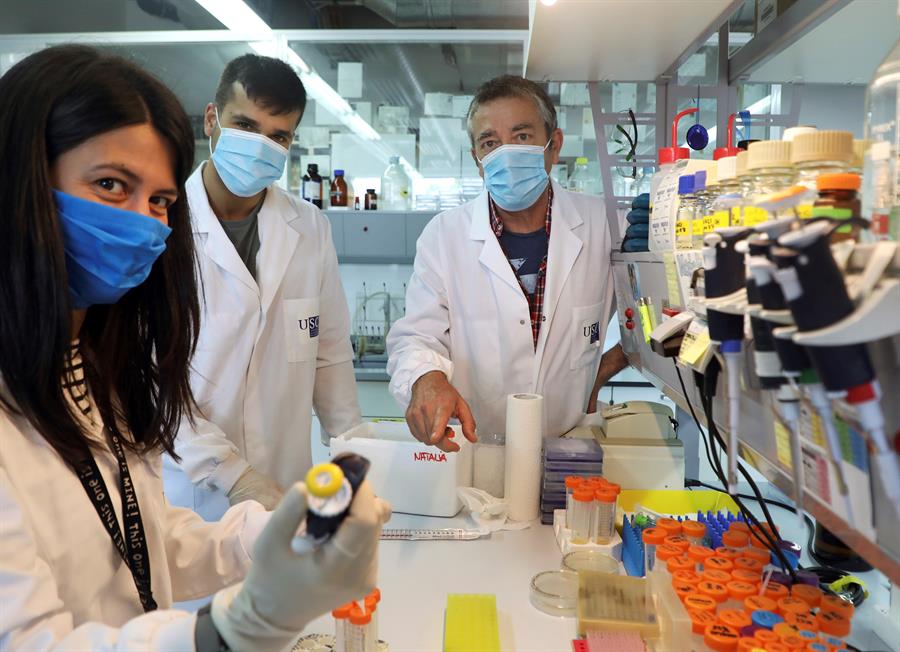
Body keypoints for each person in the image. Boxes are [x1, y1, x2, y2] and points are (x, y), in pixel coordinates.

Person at [0, 45, 388, 651]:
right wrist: (224, 633)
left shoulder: (93, 370)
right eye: (110, 184)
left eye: (159, 201)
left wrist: (266, 535)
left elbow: (143, 538)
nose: (145, 224)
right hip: (201, 503)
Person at [163, 54, 361, 520]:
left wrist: (353, 455)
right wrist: (235, 476)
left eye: (278, 136)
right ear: (211, 120)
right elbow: (149, 385)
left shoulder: (308, 226)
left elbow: (329, 353)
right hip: (190, 497)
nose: (260, 146)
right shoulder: (164, 223)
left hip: (285, 488)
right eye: (245, 125)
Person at [387, 75, 629, 451]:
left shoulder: (606, 226)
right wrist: (426, 378)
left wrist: (603, 369)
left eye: (522, 136)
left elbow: (657, 317)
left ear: (554, 145)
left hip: (566, 447)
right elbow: (418, 337)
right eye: (490, 143)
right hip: (477, 448)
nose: (506, 154)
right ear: (478, 160)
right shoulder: (444, 236)